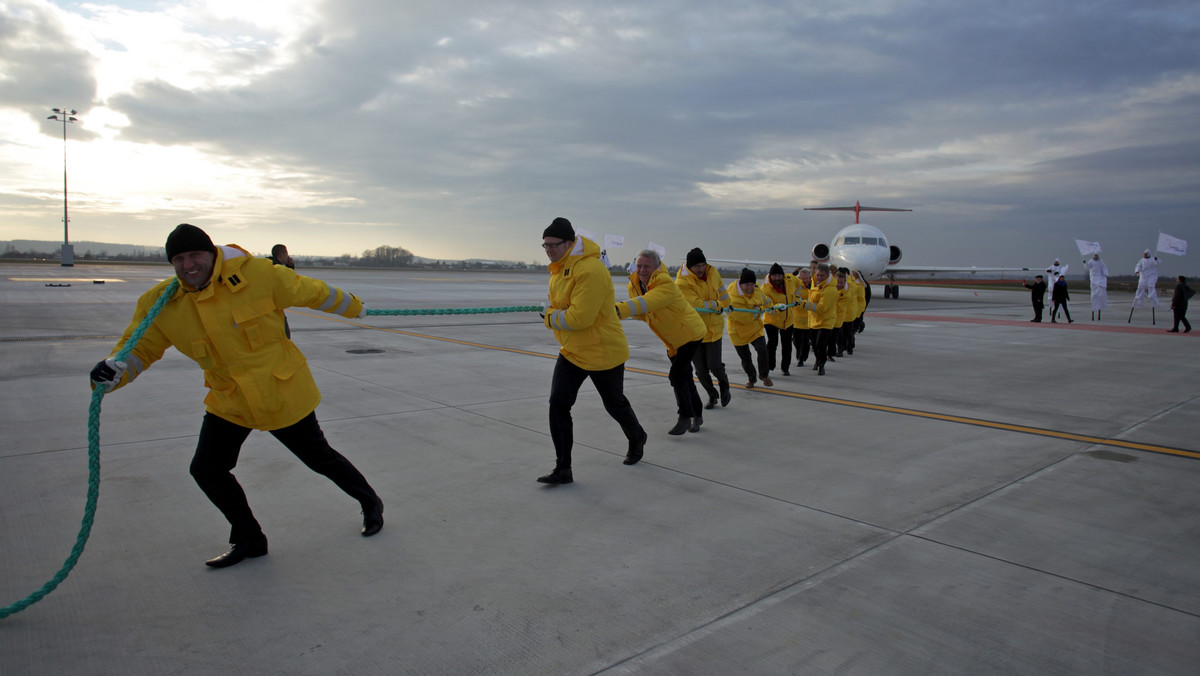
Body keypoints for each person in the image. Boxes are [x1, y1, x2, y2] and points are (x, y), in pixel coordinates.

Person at [89, 224, 383, 569]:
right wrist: (113, 374)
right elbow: (139, 349)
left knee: (320, 459)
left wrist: (355, 308)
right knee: (207, 469)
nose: (188, 265)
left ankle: (371, 503)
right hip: (230, 400)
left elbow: (314, 292)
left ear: (211, 254)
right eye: (179, 259)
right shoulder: (160, 304)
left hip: (280, 391)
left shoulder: (259, 275)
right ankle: (249, 538)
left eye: (195, 255)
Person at [539, 218, 647, 484]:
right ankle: (563, 468)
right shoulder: (560, 269)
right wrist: (556, 315)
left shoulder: (589, 269)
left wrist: (550, 317)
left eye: (553, 244)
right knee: (558, 404)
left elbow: (580, 318)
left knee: (614, 404)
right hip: (573, 351)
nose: (549, 249)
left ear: (569, 242)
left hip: (602, 350)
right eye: (545, 245)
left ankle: (637, 436)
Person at [619, 250, 707, 435]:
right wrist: (615, 310)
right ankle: (697, 415)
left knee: (676, 376)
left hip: (690, 333)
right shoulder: (635, 286)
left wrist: (618, 310)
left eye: (646, 266)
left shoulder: (665, 284)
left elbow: (649, 302)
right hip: (673, 339)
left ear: (656, 267)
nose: (641, 270)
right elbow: (643, 312)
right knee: (684, 377)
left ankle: (684, 417)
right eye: (639, 265)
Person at [675, 248, 732, 409]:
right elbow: (696, 304)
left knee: (714, 365)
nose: (701, 269)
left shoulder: (712, 273)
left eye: (703, 265)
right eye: (697, 266)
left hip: (714, 327)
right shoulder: (682, 282)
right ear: (689, 266)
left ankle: (724, 385)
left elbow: (721, 290)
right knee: (700, 371)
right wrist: (716, 305)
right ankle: (712, 395)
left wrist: (728, 305)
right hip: (694, 330)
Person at [726, 268, 772, 388]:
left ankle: (764, 375)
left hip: (755, 329)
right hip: (738, 331)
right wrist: (759, 312)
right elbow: (744, 318)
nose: (749, 287)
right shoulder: (732, 296)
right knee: (746, 358)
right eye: (747, 284)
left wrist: (772, 307)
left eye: (752, 284)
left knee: (762, 350)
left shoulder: (757, 290)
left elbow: (765, 300)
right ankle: (751, 378)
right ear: (741, 283)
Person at [761, 263, 799, 376]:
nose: (777, 278)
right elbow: (766, 306)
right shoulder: (765, 289)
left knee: (787, 344)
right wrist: (777, 308)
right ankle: (769, 365)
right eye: (775, 276)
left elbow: (799, 284)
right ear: (771, 276)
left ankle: (785, 367)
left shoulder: (790, 280)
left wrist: (797, 297)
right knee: (772, 343)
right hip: (772, 320)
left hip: (788, 319)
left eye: (779, 276)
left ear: (782, 275)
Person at [807, 263, 838, 376]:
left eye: (822, 275)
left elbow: (822, 308)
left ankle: (821, 365)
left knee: (821, 344)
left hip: (826, 321)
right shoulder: (814, 283)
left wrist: (804, 305)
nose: (819, 277)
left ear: (827, 275)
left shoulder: (830, 289)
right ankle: (818, 360)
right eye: (818, 275)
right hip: (814, 320)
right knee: (814, 345)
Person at [267, 243, 296, 338]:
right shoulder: (278, 269)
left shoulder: (266, 264)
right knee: (285, 336)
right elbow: (288, 284)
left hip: (261, 307)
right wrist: (290, 268)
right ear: (281, 255)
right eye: (286, 253)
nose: (288, 256)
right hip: (273, 308)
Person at [791, 268, 813, 368]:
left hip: (809, 319)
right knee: (796, 340)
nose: (804, 281)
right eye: (802, 278)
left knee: (805, 341)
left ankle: (801, 358)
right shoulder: (796, 287)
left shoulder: (814, 287)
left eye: (806, 278)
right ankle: (799, 354)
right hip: (797, 319)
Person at [1083, 253, 1109, 318]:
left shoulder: (1101, 261)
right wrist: (1085, 263)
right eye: (1095, 255)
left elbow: (1104, 268)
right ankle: (1094, 306)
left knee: (1100, 293)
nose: (1096, 256)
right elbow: (1088, 266)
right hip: (1094, 278)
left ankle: (1100, 305)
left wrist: (1105, 274)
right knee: (1094, 294)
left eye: (1097, 255)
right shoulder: (1091, 261)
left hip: (1100, 278)